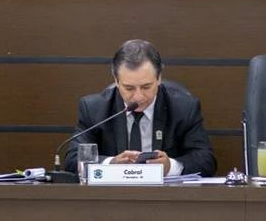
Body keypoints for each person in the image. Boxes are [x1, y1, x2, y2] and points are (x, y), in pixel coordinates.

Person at [63, 39, 216, 176]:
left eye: (146, 87)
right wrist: (112, 164)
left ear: (159, 78)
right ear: (116, 80)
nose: (138, 97)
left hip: (165, 195)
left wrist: (170, 166)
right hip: (113, 195)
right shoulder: (94, 109)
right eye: (129, 88)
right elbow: (73, 160)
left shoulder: (184, 109)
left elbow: (206, 161)